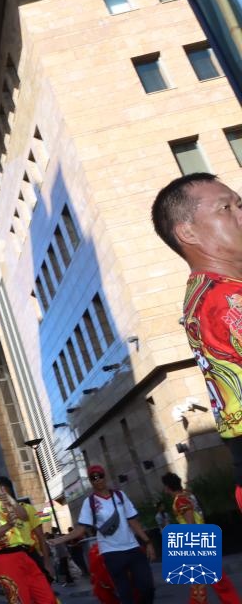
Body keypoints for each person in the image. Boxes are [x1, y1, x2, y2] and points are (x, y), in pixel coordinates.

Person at [152, 173, 242, 512]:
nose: (240, 213)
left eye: (239, 204)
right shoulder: (226, 298)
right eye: (226, 208)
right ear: (187, 233)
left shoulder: (206, 293)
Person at [50, 464, 155, 604]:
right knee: (125, 594)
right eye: (93, 478)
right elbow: (81, 529)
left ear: (105, 477)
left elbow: (132, 521)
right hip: (111, 552)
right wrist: (59, 540)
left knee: (147, 587)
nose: (98, 480)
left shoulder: (120, 495)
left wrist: (148, 542)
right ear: (90, 481)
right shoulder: (89, 502)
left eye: (100, 476)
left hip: (132, 548)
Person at [0, 468, 54, 604]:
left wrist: (11, 500)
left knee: (47, 598)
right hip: (3, 558)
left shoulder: (2, 499)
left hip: (24, 554)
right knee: (20, 600)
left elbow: (24, 516)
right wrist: (8, 525)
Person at [161, 472, 241, 604]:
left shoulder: (180, 501)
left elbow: (190, 522)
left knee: (210, 581)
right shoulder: (189, 495)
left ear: (168, 487)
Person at [0, 476, 54, 583]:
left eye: (1, 490)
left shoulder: (28, 508)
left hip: (31, 555)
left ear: (8, 490)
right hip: (11, 559)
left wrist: (47, 563)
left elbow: (41, 537)